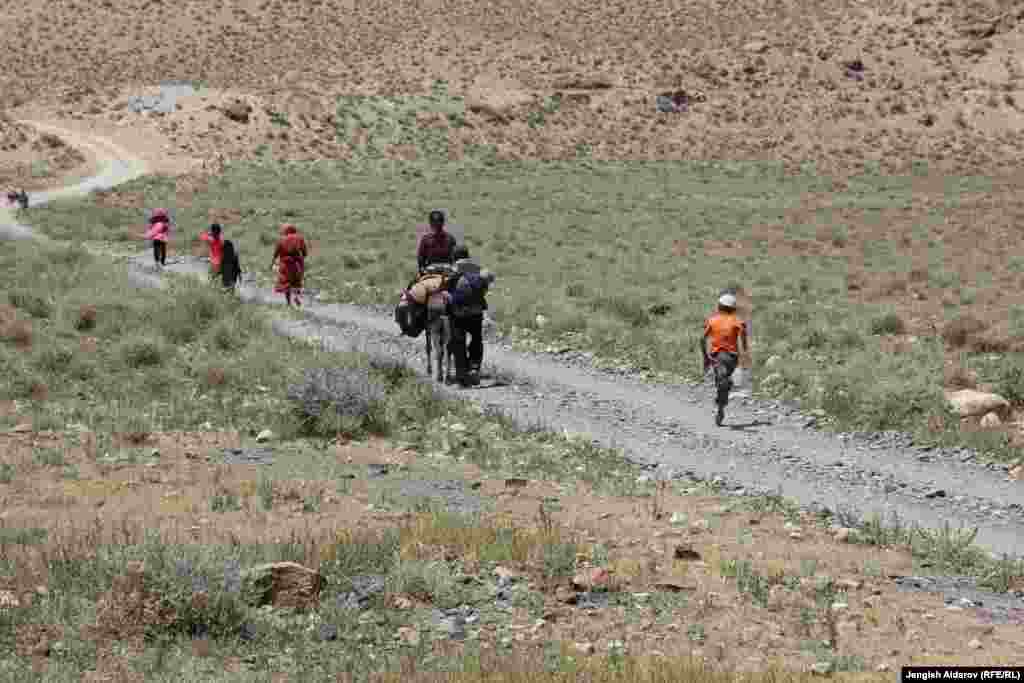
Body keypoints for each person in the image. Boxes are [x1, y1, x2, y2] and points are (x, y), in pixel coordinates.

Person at [701, 292, 749, 427]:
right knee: (722, 382)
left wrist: (705, 357)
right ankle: (721, 409)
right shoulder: (738, 321)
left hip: (717, 356)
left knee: (720, 380)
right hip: (732, 357)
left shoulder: (712, 320)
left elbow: (702, 339)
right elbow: (744, 340)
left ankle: (721, 404)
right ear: (733, 309)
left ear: (719, 307)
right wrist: (744, 352)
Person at [446, 264, 496, 387]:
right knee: (476, 339)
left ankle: (461, 376)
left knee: (459, 343)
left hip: (458, 313)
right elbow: (482, 300)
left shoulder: (460, 277)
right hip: (475, 313)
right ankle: (474, 367)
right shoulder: (481, 284)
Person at [271, 223, 308, 307]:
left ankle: (288, 303)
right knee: (297, 282)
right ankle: (296, 297)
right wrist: (301, 260)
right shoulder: (300, 238)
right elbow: (305, 253)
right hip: (297, 264)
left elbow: (276, 253)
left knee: (286, 283)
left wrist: (272, 263)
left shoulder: (281, 240)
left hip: (285, 264)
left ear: (285, 231)